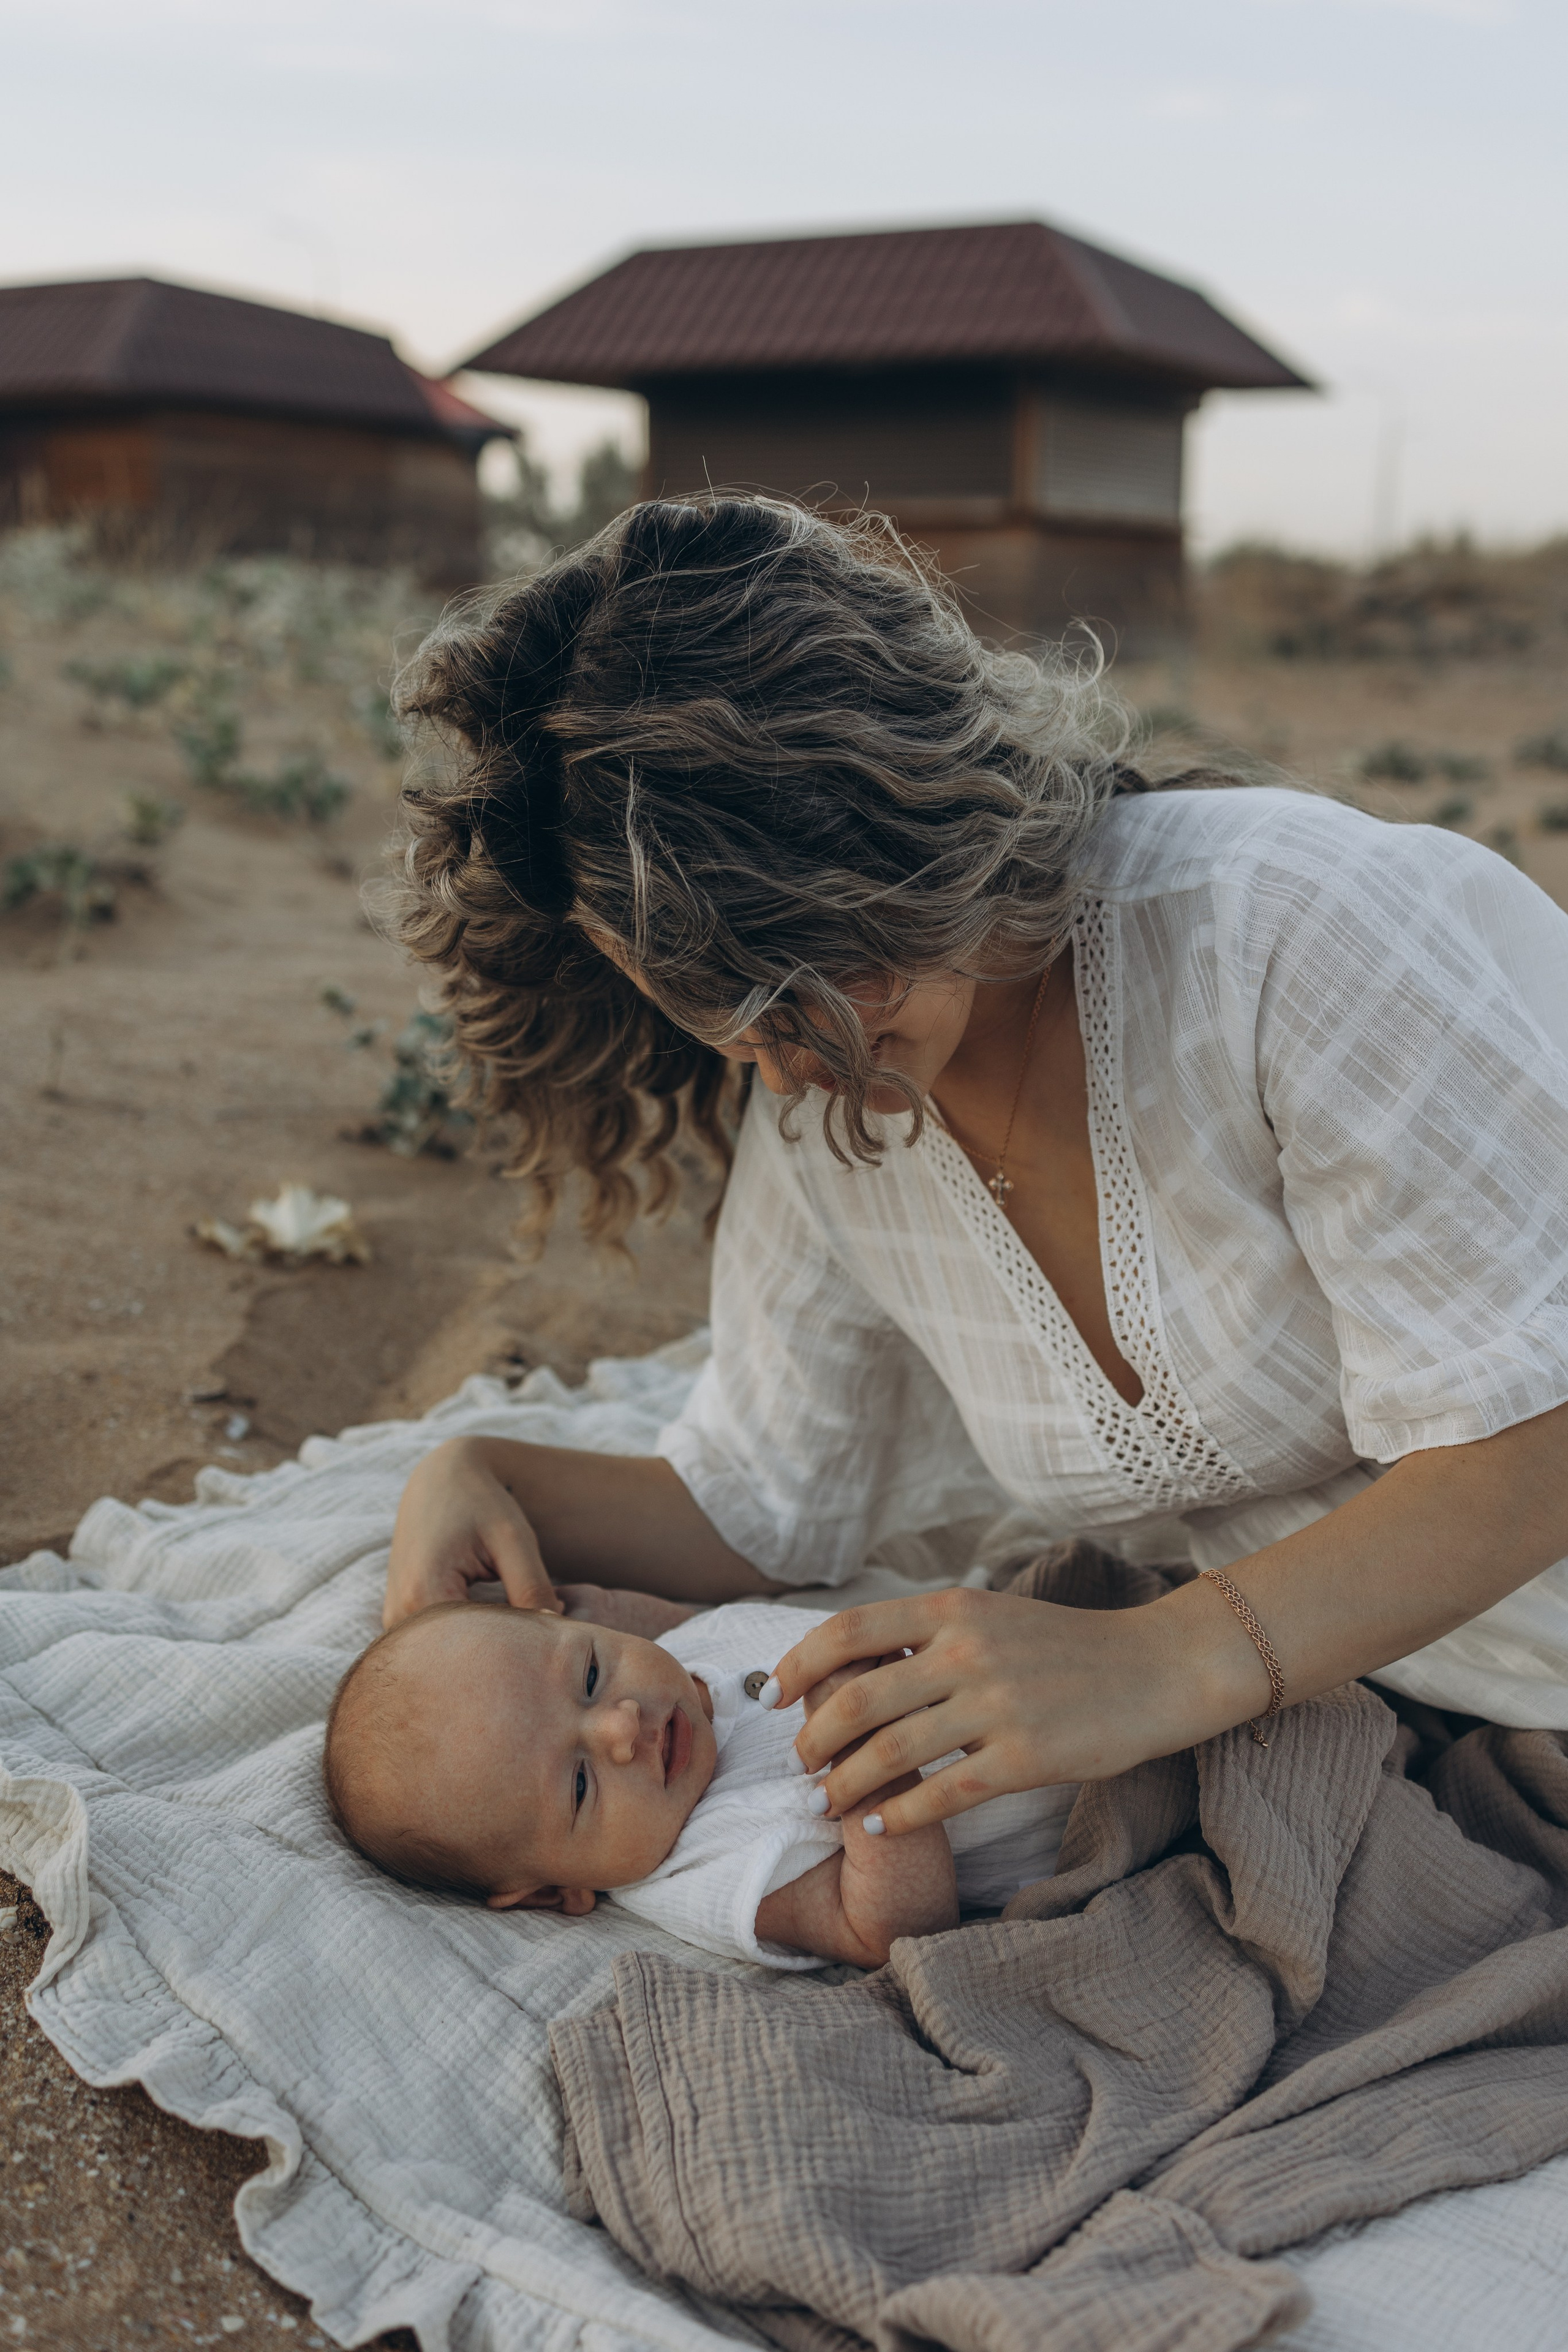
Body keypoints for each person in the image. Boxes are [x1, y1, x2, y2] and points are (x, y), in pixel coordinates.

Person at [381, 494, 1568, 1847]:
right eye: (715, 1005)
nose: (783, 1057)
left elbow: (1538, 1425)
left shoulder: (1286, 933)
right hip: (1417, 1716)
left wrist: (1162, 1661)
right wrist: (481, 1476)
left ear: (913, 814)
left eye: (813, 957)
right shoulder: (831, 1113)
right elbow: (771, 1499)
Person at [322, 1585, 1071, 1967]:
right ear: (556, 1891)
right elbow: (892, 1930)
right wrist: (866, 1754)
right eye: (579, 1786)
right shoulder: (698, 1865)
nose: (619, 1726)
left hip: (1053, 1654)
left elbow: (703, 1618)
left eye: (588, 1671)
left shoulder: (676, 1651)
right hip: (1075, 1789)